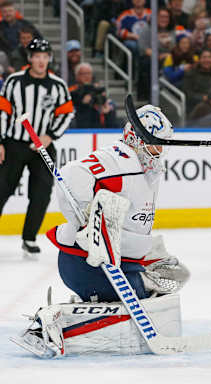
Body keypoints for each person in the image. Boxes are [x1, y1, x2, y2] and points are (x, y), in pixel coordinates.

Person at [10, 105, 191, 358]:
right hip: (85, 263)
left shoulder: (143, 165)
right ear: (138, 140)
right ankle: (50, 323)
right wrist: (87, 223)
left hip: (113, 262)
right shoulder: (120, 160)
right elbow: (72, 173)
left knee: (162, 287)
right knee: (141, 295)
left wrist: (150, 251)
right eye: (157, 144)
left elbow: (129, 224)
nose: (161, 151)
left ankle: (92, 306)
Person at [0, 39, 74, 258]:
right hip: (13, 144)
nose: (41, 61)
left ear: (49, 58)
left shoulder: (58, 85)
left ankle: (29, 238)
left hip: (42, 147)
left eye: (45, 56)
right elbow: (3, 111)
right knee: (2, 189)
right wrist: (0, 141)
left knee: (41, 193)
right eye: (37, 56)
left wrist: (49, 136)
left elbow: (67, 113)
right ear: (30, 58)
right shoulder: (14, 82)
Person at [69, 62, 118, 129]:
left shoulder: (98, 89)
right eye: (83, 74)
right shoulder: (73, 90)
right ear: (77, 76)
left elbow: (103, 102)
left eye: (88, 73)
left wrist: (104, 107)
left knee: (111, 105)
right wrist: (83, 103)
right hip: (80, 123)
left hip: (98, 123)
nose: (86, 76)